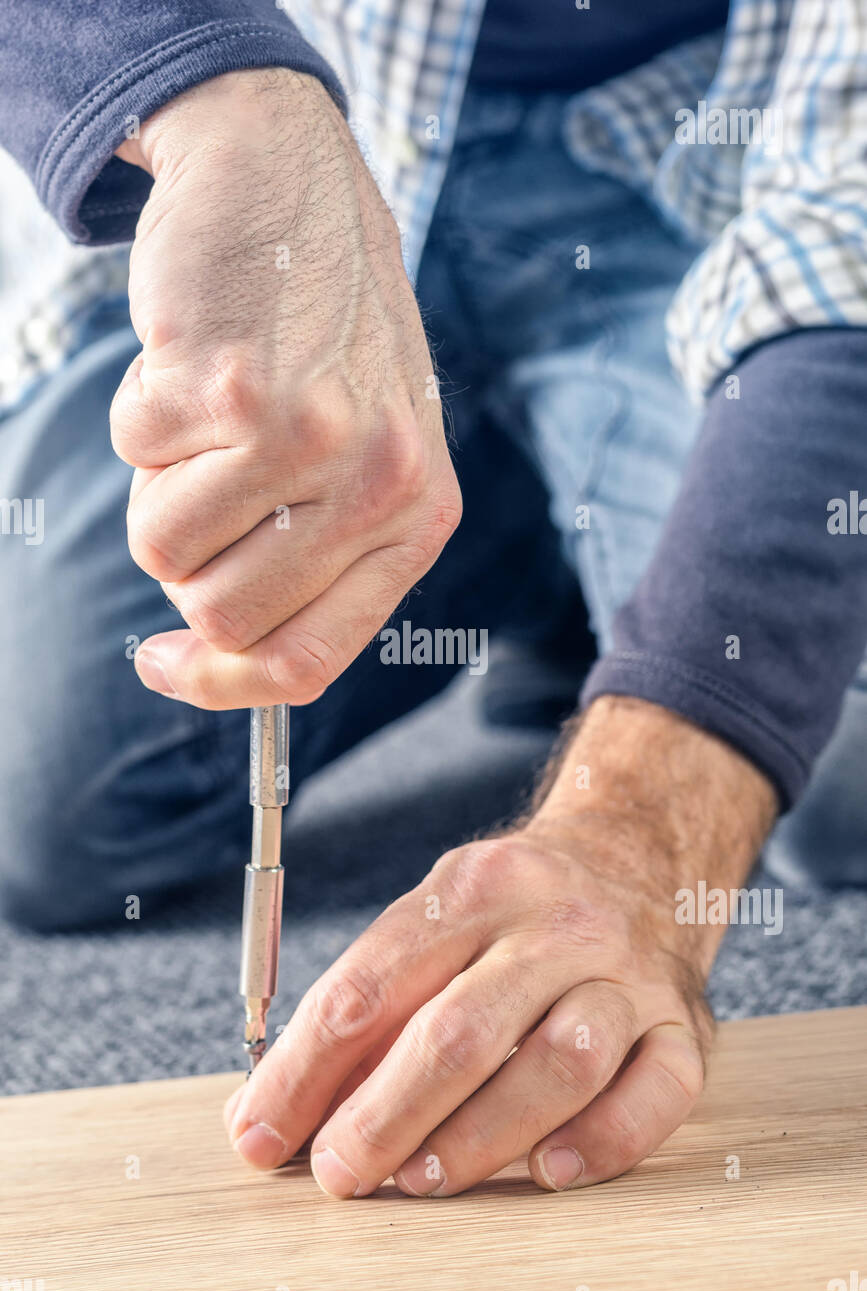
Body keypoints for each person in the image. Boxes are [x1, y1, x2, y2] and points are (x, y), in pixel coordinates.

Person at [0, 1, 864, 1198]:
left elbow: (852, 228)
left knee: (837, 766)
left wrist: (646, 826)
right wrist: (203, 94)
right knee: (36, 795)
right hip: (299, 122)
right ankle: (523, 528)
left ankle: (560, 531)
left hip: (711, 180)